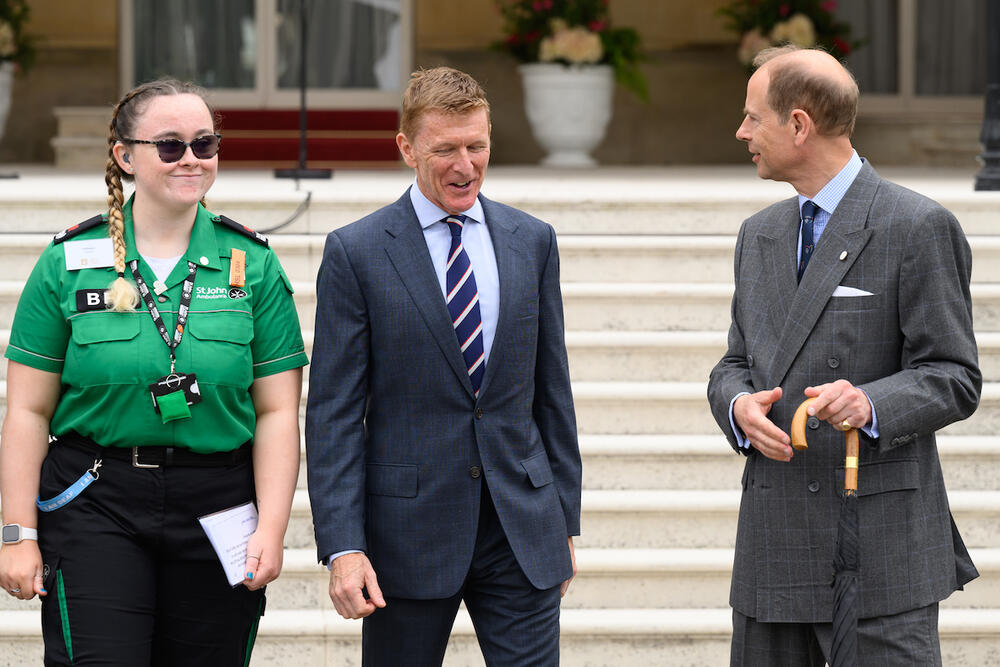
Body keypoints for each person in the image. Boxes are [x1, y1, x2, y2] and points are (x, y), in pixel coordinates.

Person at [0, 79, 307, 666]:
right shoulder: (67, 262)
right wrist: (18, 533)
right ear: (125, 156)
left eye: (205, 143)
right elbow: (28, 411)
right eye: (170, 145)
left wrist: (271, 527)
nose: (192, 158)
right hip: (96, 498)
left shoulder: (254, 264)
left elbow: (275, 412)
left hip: (219, 502)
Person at [707, 45, 981, 666]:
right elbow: (734, 363)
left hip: (879, 551)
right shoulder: (759, 233)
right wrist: (737, 407)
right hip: (772, 548)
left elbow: (955, 376)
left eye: (754, 117)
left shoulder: (917, 225)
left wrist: (870, 402)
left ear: (798, 124)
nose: (741, 131)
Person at [305, 66, 582, 666]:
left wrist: (562, 518)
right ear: (406, 148)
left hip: (520, 525)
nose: (465, 166)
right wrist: (344, 546)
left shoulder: (532, 240)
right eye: (446, 150)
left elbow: (551, 390)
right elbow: (332, 414)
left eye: (477, 146)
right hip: (406, 535)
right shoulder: (356, 252)